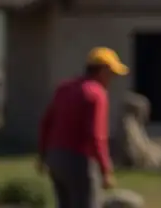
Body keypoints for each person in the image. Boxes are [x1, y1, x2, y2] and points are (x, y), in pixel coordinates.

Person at [36, 47, 129, 208]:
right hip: (79, 160)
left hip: (55, 157)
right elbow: (96, 136)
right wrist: (105, 169)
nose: (112, 78)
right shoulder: (96, 93)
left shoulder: (64, 88)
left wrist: (43, 155)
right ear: (102, 71)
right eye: (112, 73)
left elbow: (47, 123)